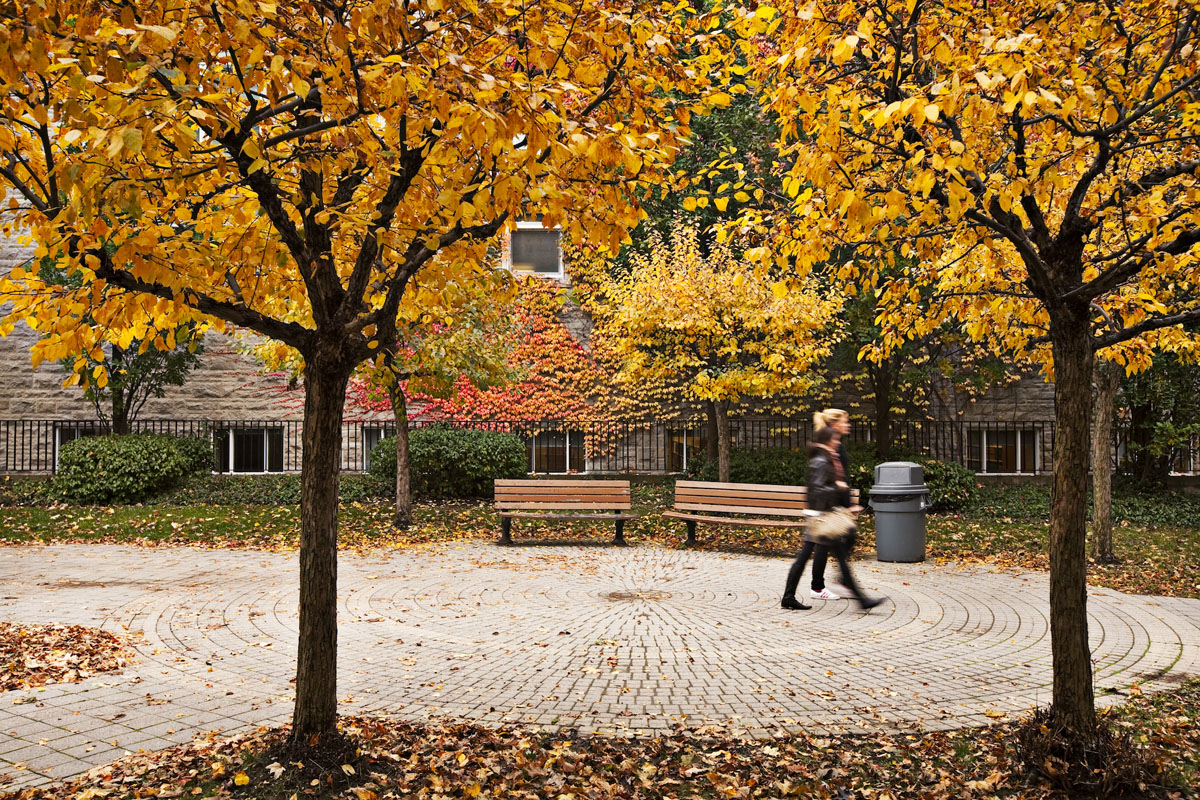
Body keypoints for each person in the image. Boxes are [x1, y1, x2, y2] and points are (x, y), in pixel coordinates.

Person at [781, 425, 885, 612]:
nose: (837, 442)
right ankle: (860, 599)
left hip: (824, 516)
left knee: (817, 559)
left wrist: (845, 505)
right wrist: (838, 487)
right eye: (835, 440)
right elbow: (818, 490)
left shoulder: (825, 458)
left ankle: (789, 597)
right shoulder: (821, 461)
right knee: (807, 558)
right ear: (827, 441)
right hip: (821, 519)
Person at [800, 409, 853, 600]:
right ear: (834, 423)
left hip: (832, 504)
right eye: (845, 421)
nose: (848, 425)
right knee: (821, 546)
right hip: (826, 506)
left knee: (840, 540)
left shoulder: (836, 443)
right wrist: (840, 497)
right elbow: (826, 480)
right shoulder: (830, 444)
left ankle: (840, 582)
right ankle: (820, 586)